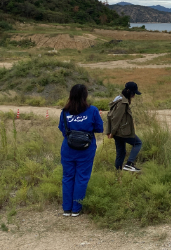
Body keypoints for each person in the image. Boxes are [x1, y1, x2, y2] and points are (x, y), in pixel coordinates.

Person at [58, 84, 104, 217]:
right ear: (85, 95)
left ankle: (67, 209)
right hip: (86, 149)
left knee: (67, 177)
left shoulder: (65, 111)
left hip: (68, 148)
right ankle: (76, 208)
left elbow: (62, 129)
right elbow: (99, 128)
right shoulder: (92, 110)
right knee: (82, 178)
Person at [106, 81, 143, 172]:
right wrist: (112, 132)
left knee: (121, 153)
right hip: (122, 132)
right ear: (128, 91)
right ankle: (129, 164)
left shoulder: (118, 98)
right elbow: (116, 118)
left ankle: (118, 175)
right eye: (133, 93)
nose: (134, 95)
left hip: (117, 132)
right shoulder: (122, 102)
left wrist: (110, 131)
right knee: (138, 143)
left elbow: (110, 116)